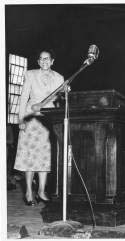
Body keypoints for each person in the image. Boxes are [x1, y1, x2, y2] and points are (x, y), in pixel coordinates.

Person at [14, 49, 64, 206]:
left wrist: (65, 92)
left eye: (47, 59)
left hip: (49, 121)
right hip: (32, 119)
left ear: (52, 61)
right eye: (41, 59)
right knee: (31, 156)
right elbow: (23, 98)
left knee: (45, 157)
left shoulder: (59, 78)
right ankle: (29, 192)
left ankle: (41, 191)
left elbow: (60, 100)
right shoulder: (30, 74)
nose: (44, 61)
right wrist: (21, 119)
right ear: (38, 62)